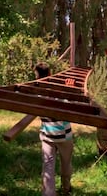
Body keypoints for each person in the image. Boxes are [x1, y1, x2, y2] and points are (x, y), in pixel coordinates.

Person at [34, 62, 73, 196]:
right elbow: (71, 107)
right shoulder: (60, 91)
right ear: (50, 74)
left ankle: (49, 193)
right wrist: (69, 89)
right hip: (64, 136)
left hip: (48, 135)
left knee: (48, 167)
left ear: (37, 76)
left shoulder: (36, 94)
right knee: (66, 164)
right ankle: (66, 188)